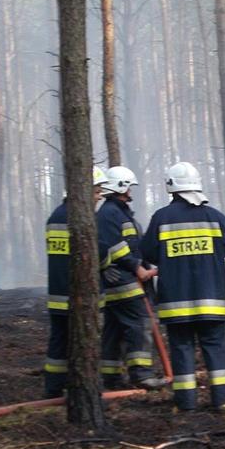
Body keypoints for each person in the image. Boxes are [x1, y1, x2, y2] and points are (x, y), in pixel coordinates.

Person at [140, 162, 225, 411]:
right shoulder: (213, 216)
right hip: (211, 300)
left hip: (175, 302)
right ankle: (223, 400)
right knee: (214, 347)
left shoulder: (161, 218)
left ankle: (186, 404)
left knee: (181, 349)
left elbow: (148, 251)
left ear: (171, 187)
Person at [97, 166, 166, 391]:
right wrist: (137, 268)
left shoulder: (118, 212)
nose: (130, 191)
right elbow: (116, 247)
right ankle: (142, 374)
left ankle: (111, 377)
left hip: (121, 280)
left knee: (115, 329)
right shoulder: (110, 213)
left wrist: (146, 264)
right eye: (129, 187)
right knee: (140, 324)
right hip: (125, 281)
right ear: (121, 187)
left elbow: (135, 245)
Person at [43, 165, 108, 398]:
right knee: (85, 342)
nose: (100, 196)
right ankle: (84, 388)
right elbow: (98, 253)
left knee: (59, 341)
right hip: (80, 295)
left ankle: (54, 387)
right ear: (84, 189)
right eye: (97, 191)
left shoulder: (55, 217)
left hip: (57, 294)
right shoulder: (83, 219)